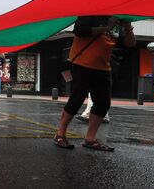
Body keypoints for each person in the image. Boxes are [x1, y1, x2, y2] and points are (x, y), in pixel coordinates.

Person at [54, 16, 135, 152]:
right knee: (76, 100)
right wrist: (106, 28)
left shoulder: (118, 22)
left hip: (103, 68)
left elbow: (130, 43)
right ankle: (60, 134)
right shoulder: (92, 13)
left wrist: (128, 27)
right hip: (81, 64)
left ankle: (90, 139)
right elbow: (79, 31)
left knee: (103, 103)